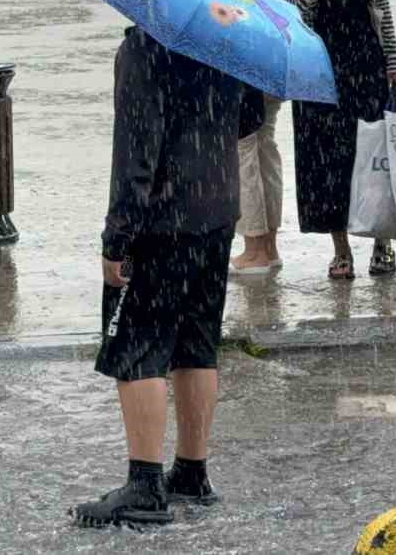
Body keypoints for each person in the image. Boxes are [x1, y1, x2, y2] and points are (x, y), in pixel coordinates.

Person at [72, 26, 262, 527]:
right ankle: (192, 472)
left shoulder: (143, 47)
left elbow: (135, 152)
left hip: (163, 217)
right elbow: (252, 118)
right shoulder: (223, 41)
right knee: (196, 344)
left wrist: (118, 237)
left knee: (138, 346)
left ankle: (144, 483)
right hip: (217, 211)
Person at [279, 0, 396, 280]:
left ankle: (383, 242)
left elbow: (380, 6)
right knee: (327, 162)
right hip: (317, 73)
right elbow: (291, 15)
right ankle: (341, 249)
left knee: (372, 156)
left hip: (366, 68)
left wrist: (393, 58)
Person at [192, 0, 282, 274]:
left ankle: (255, 249)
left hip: (243, 71)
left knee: (244, 156)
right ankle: (271, 246)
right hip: (269, 64)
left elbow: (218, 17)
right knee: (264, 153)